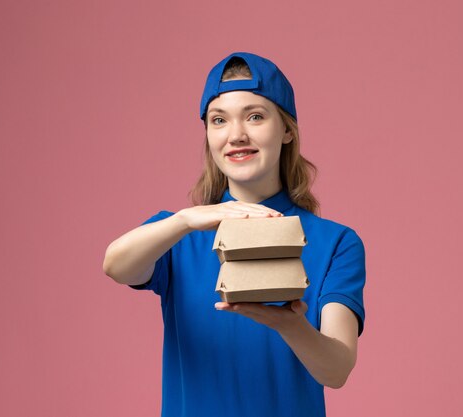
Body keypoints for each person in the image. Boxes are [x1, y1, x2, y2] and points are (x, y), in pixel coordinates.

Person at [103, 52, 366, 417]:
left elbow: (336, 371)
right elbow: (116, 265)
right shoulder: (180, 235)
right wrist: (187, 220)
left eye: (255, 116)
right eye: (219, 120)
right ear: (208, 134)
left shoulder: (336, 243)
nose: (236, 135)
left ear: (287, 130)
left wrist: (288, 324)